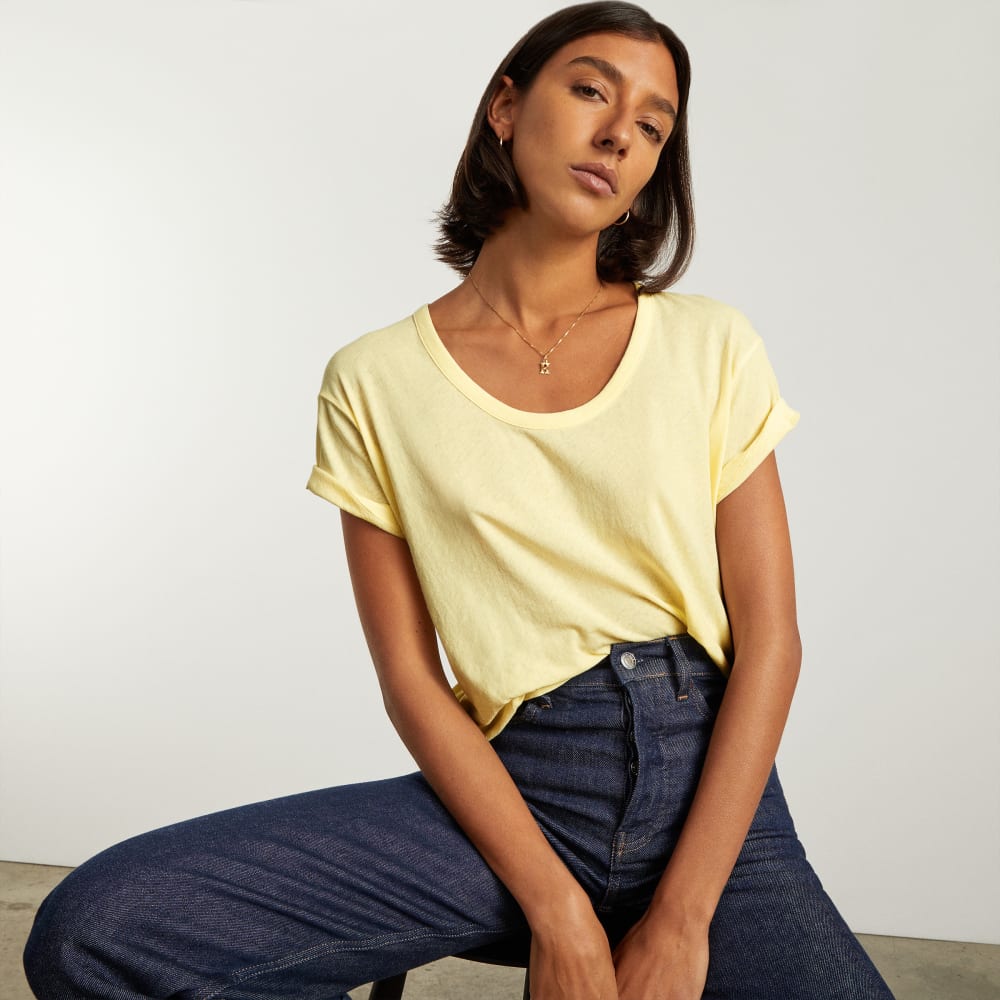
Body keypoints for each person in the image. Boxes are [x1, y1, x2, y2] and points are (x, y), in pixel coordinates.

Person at [23, 3, 896, 998]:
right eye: (591, 90)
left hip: (714, 798)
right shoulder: (375, 380)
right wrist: (559, 914)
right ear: (505, 109)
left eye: (654, 125)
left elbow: (772, 639)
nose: (620, 133)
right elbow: (410, 677)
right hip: (517, 791)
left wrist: (682, 919)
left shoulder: (710, 344)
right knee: (97, 931)